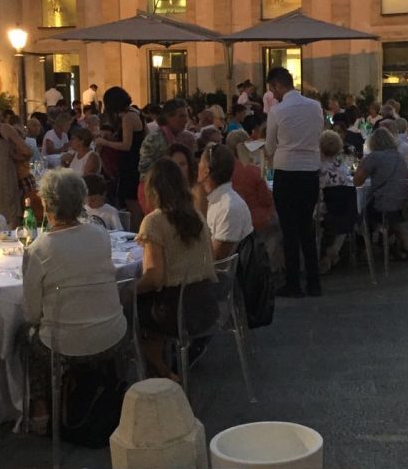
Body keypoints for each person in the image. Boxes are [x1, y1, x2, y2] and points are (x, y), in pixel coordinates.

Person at [22, 169, 124, 430]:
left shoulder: (39, 249)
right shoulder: (101, 235)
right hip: (112, 333)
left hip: (66, 344)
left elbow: (32, 314)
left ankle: (39, 408)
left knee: (25, 337)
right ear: (81, 200)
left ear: (46, 204)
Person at [135, 158, 218, 380]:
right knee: (148, 306)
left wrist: (127, 290)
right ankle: (161, 370)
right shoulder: (196, 215)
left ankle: (161, 372)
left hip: (178, 312)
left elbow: (155, 278)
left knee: (128, 312)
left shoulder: (154, 222)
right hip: (206, 304)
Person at [264, 67, 323, 298]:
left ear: (279, 86)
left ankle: (293, 283)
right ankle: (314, 282)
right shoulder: (315, 107)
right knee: (306, 226)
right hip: (309, 170)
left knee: (289, 230)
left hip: (286, 171)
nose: (272, 95)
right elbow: (319, 133)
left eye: (272, 89)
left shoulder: (278, 111)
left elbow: (269, 147)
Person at [354, 128, 408, 260]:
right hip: (404, 203)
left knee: (363, 213)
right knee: (387, 208)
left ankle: (365, 247)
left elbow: (357, 181)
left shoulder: (373, 157)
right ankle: (402, 243)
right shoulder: (398, 155)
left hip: (384, 205)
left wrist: (360, 165)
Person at [94, 87, 145, 230]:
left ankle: (135, 232)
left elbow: (126, 145)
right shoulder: (134, 113)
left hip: (130, 163)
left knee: (132, 203)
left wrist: (105, 142)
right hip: (132, 161)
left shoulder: (128, 117)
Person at [197, 144, 253, 260]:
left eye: (200, 162)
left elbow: (217, 257)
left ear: (206, 171)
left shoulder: (228, 207)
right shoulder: (217, 200)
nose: (197, 165)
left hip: (227, 276)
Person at [224, 129, 275, 233]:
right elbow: (266, 200)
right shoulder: (253, 171)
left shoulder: (222, 170)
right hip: (255, 219)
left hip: (230, 219)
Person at [318, 131, 352, 272]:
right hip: (342, 211)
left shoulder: (316, 169)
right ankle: (332, 252)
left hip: (321, 211)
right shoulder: (343, 170)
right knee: (343, 215)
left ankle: (324, 254)